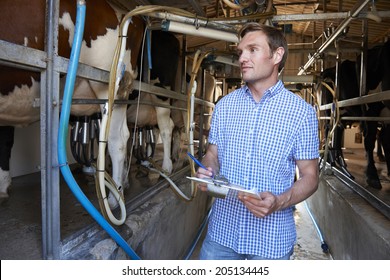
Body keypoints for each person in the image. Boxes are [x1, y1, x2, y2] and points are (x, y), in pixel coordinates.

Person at [195, 22, 319, 260]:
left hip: (270, 243)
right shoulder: (225, 106)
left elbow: (310, 177)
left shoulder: (301, 113)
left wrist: (280, 201)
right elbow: (212, 154)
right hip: (221, 237)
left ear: (277, 55)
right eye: (240, 52)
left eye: (253, 50)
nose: (243, 58)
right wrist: (208, 171)